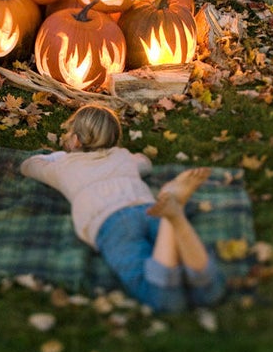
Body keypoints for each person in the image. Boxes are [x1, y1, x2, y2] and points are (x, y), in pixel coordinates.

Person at [21, 104, 225, 313]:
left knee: (163, 298)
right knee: (210, 291)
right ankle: (173, 218)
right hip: (148, 209)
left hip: (111, 223)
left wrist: (58, 157)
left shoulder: (62, 167)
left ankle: (170, 217)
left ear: (75, 141)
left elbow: (29, 165)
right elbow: (144, 162)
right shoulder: (123, 157)